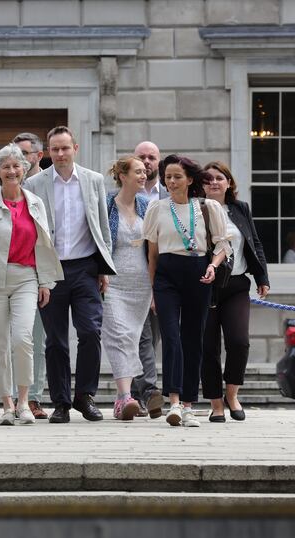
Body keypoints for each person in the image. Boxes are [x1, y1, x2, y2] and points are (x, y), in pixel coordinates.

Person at [0, 143, 62, 425]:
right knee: (0, 344)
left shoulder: (35, 203)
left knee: (23, 339)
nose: (12, 170)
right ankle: (6, 404)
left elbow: (44, 245)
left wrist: (45, 281)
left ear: (25, 168)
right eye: (5, 166)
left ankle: (24, 401)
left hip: (26, 277)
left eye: (16, 165)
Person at [23, 126, 115, 424]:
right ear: (47, 153)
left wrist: (104, 268)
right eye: (55, 149)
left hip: (86, 268)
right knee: (56, 341)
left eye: (65, 148)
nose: (60, 154)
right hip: (51, 270)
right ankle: (61, 401)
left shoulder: (93, 180)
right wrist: (37, 275)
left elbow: (102, 224)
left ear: (75, 148)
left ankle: (85, 396)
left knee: (90, 331)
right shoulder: (35, 184)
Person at [143, 154, 231, 428]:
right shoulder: (157, 209)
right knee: (171, 337)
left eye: (177, 176)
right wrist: (153, 290)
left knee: (193, 339)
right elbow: (153, 253)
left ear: (190, 179)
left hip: (198, 273)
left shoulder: (208, 208)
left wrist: (213, 267)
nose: (171, 181)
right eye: (167, 176)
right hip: (167, 275)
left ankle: (190, 405)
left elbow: (222, 246)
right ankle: (174, 402)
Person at [201, 161, 270, 422]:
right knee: (208, 347)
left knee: (239, 341)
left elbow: (255, 243)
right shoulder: (197, 210)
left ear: (229, 183)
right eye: (208, 179)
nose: (214, 182)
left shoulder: (240, 209)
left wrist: (262, 276)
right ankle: (216, 404)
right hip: (205, 287)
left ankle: (232, 394)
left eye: (220, 178)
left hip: (238, 284)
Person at [102, 155, 151, 420]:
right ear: (123, 176)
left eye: (145, 172)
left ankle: (123, 397)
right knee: (118, 335)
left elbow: (154, 246)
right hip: (113, 281)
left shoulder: (147, 205)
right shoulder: (107, 204)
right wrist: (100, 271)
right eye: (138, 172)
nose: (143, 176)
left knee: (131, 338)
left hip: (141, 283)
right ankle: (125, 397)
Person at [11, 132, 49, 419]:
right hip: (11, 274)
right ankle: (15, 397)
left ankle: (33, 397)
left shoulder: (47, 187)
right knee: (16, 337)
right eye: (16, 154)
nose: (20, 160)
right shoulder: (6, 190)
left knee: (37, 338)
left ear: (39, 155)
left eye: (25, 153)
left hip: (42, 273)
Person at [131, 140, 165, 418]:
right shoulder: (123, 195)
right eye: (141, 157)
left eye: (151, 157)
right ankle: (150, 391)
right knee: (139, 337)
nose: (147, 162)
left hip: (165, 277)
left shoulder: (168, 194)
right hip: (131, 276)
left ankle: (134, 394)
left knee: (150, 338)